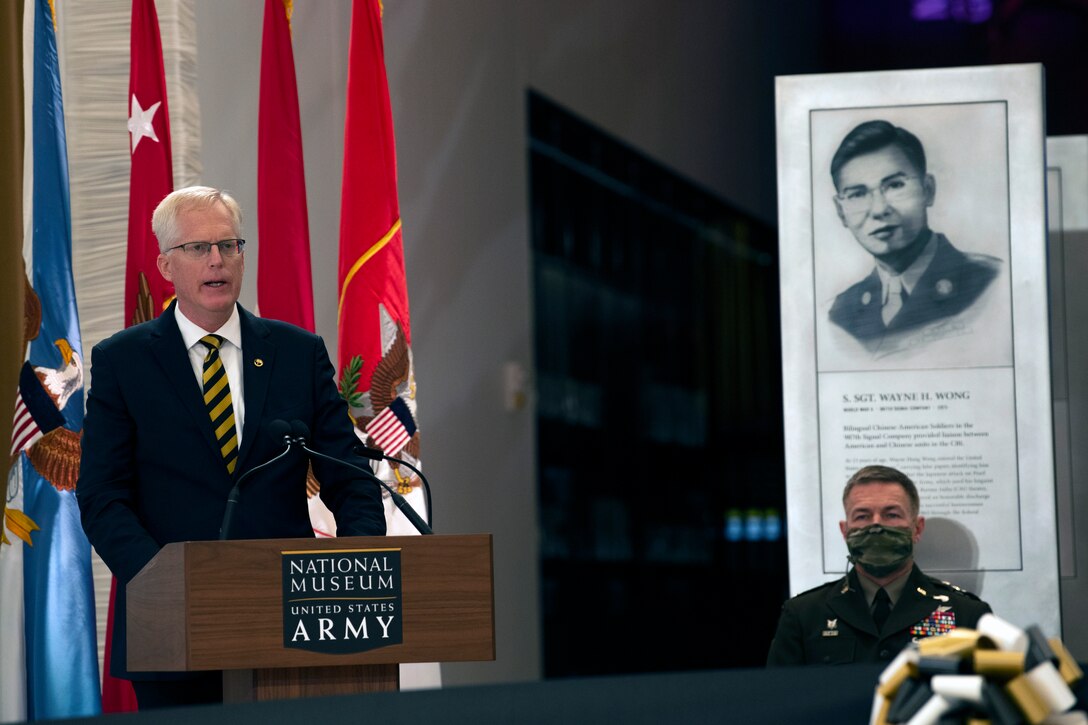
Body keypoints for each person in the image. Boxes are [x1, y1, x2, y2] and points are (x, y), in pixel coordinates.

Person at [77, 186, 386, 708]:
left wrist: (356, 572)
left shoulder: (297, 353)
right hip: (173, 628)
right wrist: (165, 583)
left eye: (229, 245)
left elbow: (350, 476)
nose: (216, 260)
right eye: (198, 248)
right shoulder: (122, 362)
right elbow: (102, 496)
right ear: (165, 265)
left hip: (295, 623)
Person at [766, 465, 991, 666]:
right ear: (845, 531)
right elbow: (781, 702)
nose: (876, 525)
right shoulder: (804, 615)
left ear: (917, 529)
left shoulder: (966, 614)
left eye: (891, 515)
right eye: (862, 516)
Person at [827, 120, 1001, 349]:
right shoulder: (839, 314)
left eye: (895, 185)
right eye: (857, 194)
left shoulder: (993, 284)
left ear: (927, 190)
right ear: (841, 212)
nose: (880, 210)